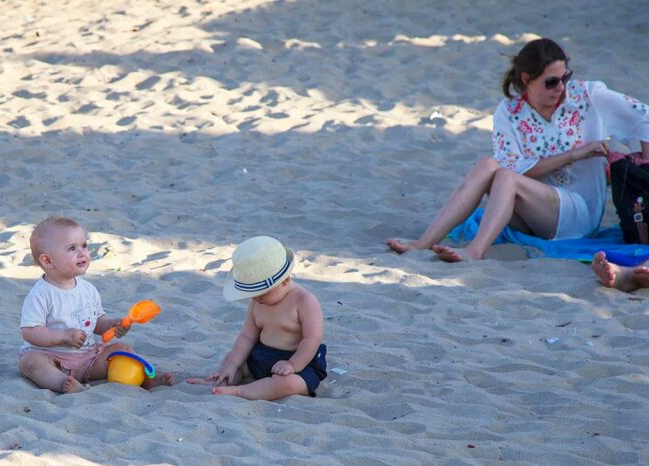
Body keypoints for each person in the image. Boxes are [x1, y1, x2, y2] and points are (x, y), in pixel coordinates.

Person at [386, 38, 649, 264]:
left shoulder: (587, 96)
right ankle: (423, 242)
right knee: (488, 165)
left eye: (565, 78)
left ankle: (475, 251)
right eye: (551, 82)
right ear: (526, 79)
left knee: (505, 176)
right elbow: (510, 166)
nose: (561, 88)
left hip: (579, 212)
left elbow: (643, 117)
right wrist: (572, 155)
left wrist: (645, 167)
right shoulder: (509, 111)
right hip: (531, 210)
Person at [19, 216, 173, 393]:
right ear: (47, 261)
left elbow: (97, 321)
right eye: (72, 248)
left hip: (89, 358)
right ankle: (62, 383)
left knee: (123, 350)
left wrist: (113, 325)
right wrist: (63, 336)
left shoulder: (88, 289)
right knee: (30, 362)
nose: (82, 253)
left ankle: (145, 380)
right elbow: (30, 332)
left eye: (84, 246)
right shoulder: (41, 294)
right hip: (52, 358)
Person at [187, 236, 327, 400]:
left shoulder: (304, 301)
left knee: (289, 384)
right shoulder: (258, 302)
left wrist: (292, 365)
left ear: (285, 281)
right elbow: (247, 337)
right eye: (252, 294)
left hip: (299, 360)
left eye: (260, 294)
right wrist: (232, 365)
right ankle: (221, 383)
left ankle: (242, 391)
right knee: (232, 361)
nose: (255, 299)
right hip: (261, 356)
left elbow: (312, 339)